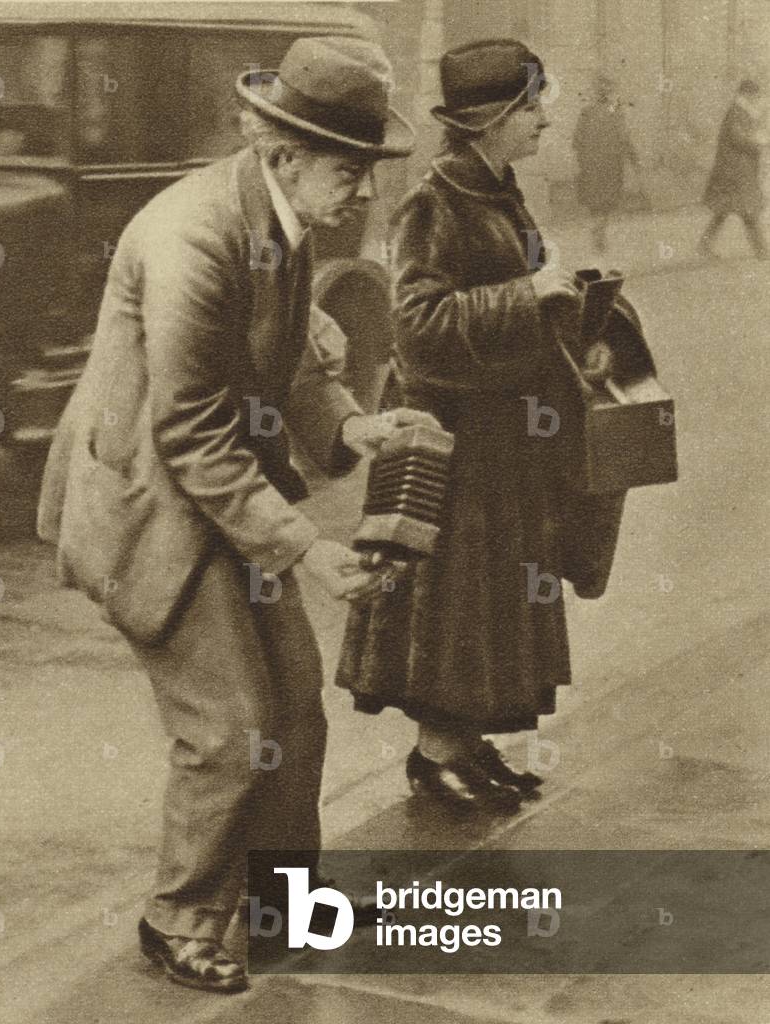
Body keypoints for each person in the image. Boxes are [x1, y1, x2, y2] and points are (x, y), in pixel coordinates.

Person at [37, 36, 432, 994]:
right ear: (285, 153)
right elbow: (191, 429)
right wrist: (305, 547)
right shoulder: (195, 235)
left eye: (371, 172)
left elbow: (291, 358)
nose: (366, 194)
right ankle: (176, 920)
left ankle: (282, 909)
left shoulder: (284, 218)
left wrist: (353, 428)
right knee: (231, 727)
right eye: (351, 171)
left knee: (295, 705)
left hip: (217, 501)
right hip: (149, 512)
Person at [336, 38, 651, 816]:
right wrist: (529, 294)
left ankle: (470, 747)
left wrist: (583, 314)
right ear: (493, 120)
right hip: (452, 448)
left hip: (505, 440)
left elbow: (519, 304)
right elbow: (413, 329)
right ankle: (434, 757)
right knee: (456, 603)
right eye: (534, 106)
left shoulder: (498, 193)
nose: (546, 119)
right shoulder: (432, 204)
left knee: (500, 599)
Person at [699, 78, 768, 260]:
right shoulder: (737, 112)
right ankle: (762, 250)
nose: (756, 98)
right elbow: (737, 138)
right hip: (735, 172)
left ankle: (704, 245)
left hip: (735, 171)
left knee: (725, 211)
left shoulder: (740, 112)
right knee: (748, 210)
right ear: (745, 95)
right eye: (754, 95)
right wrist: (758, 142)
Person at [572, 74, 641, 252]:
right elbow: (624, 138)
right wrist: (634, 160)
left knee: (596, 201)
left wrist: (583, 160)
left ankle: (598, 233)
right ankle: (599, 233)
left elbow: (577, 141)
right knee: (606, 201)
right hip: (609, 164)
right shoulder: (614, 112)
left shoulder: (587, 112)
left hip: (592, 164)